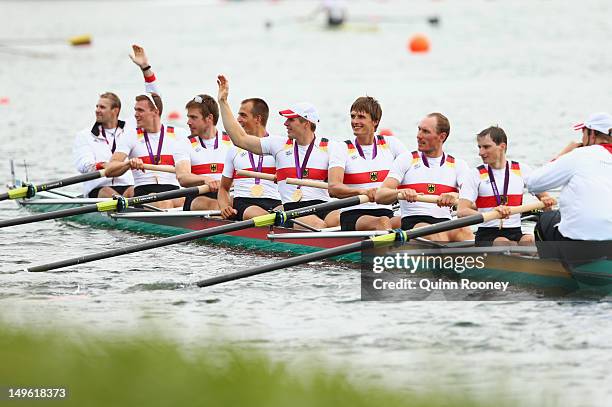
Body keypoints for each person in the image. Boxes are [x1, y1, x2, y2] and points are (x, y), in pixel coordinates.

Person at [217, 75, 338, 229]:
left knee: (339, 220)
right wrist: (223, 102)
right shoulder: (277, 145)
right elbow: (239, 139)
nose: (285, 123)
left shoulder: (331, 147)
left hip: (323, 205)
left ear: (306, 123)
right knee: (319, 225)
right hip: (293, 209)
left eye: (291, 119)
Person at [104, 45, 190, 209]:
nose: (135, 114)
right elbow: (109, 169)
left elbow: (154, 91)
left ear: (155, 112)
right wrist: (127, 164)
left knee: (200, 201)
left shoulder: (179, 134)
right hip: (144, 194)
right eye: (135, 110)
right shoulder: (130, 136)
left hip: (174, 193)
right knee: (161, 200)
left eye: (140, 110)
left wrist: (146, 67)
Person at [376, 113, 473, 241]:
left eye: (425, 131)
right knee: (434, 235)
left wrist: (456, 196)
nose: (419, 135)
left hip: (445, 223)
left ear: (441, 137)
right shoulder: (406, 160)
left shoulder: (458, 165)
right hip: (414, 223)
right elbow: (380, 195)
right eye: (419, 129)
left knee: (465, 231)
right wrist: (400, 192)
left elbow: (473, 199)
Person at [457, 126, 555, 246]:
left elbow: (546, 203)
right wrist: (491, 214)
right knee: (504, 243)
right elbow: (462, 211)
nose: (480, 152)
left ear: (502, 147)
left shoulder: (521, 170)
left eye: (486, 147)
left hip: (515, 231)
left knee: (530, 240)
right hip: (487, 234)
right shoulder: (475, 174)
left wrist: (547, 204)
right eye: (479, 147)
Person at [526, 112, 612, 242]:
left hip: (578, 243)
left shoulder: (580, 154)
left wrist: (563, 154)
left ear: (592, 133)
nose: (582, 138)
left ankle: (551, 261)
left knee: (545, 220)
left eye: (583, 132)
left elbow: (533, 183)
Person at [328, 96, 406, 231]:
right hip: (353, 214)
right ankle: (388, 251)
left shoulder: (391, 144)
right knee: (382, 223)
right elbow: (333, 188)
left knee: (410, 221)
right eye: (353, 116)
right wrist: (362, 191)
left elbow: (414, 170)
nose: (355, 121)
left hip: (386, 212)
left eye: (361, 117)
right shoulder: (342, 148)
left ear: (375, 121)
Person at [217, 96, 281, 221]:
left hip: (276, 203)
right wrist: (225, 207)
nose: (238, 119)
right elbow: (224, 188)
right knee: (258, 214)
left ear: (258, 119)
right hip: (245, 204)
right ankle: (277, 224)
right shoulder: (234, 150)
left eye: (243, 115)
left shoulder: (277, 146)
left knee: (287, 213)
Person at [72, 92, 134, 198]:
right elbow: (84, 165)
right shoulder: (85, 136)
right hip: (99, 189)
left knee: (135, 191)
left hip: (127, 186)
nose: (97, 110)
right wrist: (103, 165)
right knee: (108, 192)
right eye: (97, 106)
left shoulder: (130, 132)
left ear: (115, 110)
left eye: (102, 107)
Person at [175, 94, 230, 211]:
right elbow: (182, 177)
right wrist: (205, 179)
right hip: (197, 198)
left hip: (225, 195)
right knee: (219, 205)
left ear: (209, 118)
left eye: (193, 117)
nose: (188, 122)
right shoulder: (184, 144)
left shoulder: (231, 142)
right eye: (188, 117)